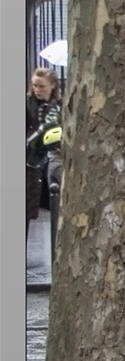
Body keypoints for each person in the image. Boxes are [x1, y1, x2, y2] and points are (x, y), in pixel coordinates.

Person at [27, 62, 62, 238]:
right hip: (30, 162)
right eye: (35, 85)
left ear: (52, 86)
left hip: (51, 160)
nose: (37, 90)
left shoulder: (59, 105)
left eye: (42, 86)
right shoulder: (27, 103)